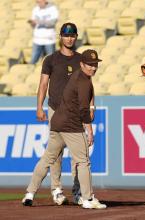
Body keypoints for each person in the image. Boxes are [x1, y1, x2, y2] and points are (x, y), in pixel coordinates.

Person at [22, 49, 106, 209]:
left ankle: (29, 193)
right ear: (81, 64)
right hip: (71, 125)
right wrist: (89, 129)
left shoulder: (78, 76)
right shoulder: (83, 81)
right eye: (89, 64)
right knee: (83, 161)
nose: (93, 68)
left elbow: (87, 98)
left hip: (57, 122)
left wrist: (91, 107)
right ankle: (87, 199)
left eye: (95, 65)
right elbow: (83, 109)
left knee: (48, 159)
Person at [35, 22, 87, 206]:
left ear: (76, 36)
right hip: (56, 109)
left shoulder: (81, 59)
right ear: (60, 36)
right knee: (56, 152)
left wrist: (90, 108)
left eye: (73, 34)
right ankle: (56, 189)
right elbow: (43, 85)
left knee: (77, 153)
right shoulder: (50, 59)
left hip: (75, 111)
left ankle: (78, 191)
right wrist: (39, 107)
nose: (70, 38)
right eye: (66, 34)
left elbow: (87, 86)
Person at [28, 0, 59, 64]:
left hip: (49, 39)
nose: (38, 3)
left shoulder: (53, 9)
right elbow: (34, 25)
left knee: (52, 61)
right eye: (37, 2)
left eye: (39, 1)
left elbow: (52, 23)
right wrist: (32, 23)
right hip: (37, 40)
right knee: (33, 60)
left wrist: (39, 22)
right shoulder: (35, 9)